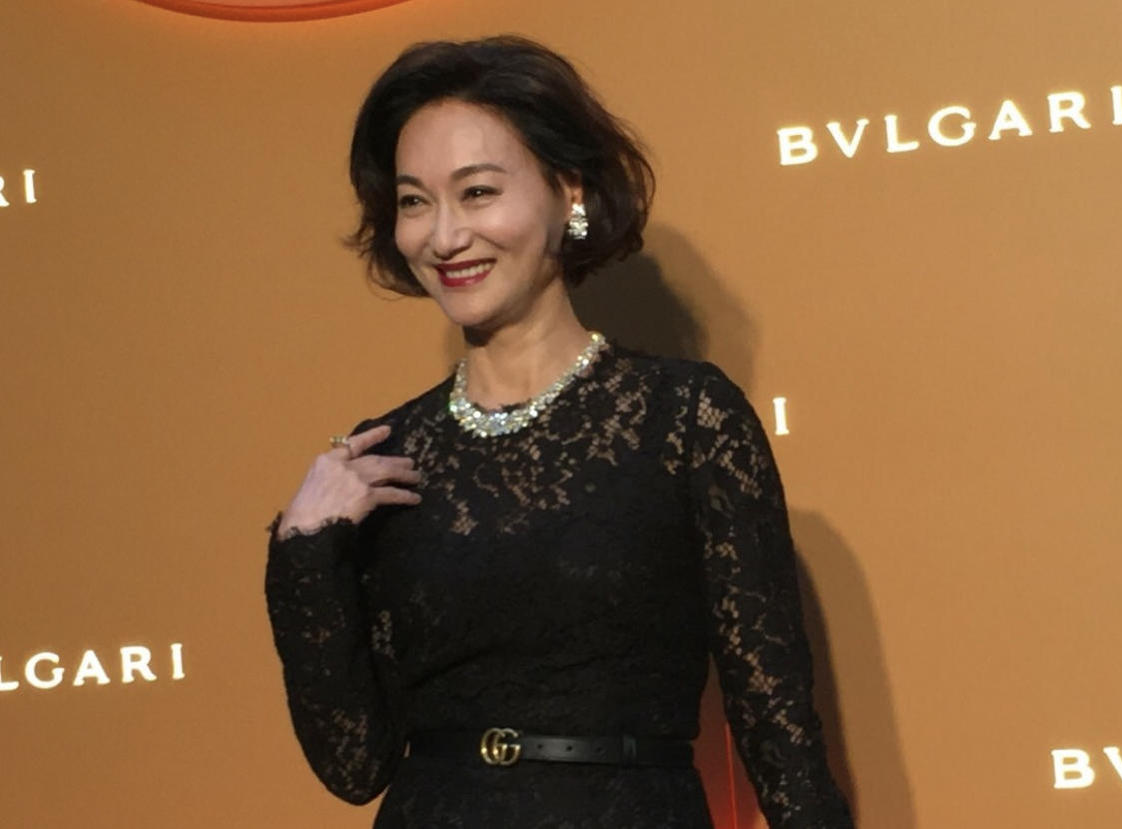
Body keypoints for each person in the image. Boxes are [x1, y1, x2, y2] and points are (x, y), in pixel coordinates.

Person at [264, 35, 854, 829]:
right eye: (414, 202)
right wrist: (305, 549)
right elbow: (354, 764)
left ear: (567, 190)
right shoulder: (385, 456)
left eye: (477, 192)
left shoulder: (685, 416)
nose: (444, 236)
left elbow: (778, 731)